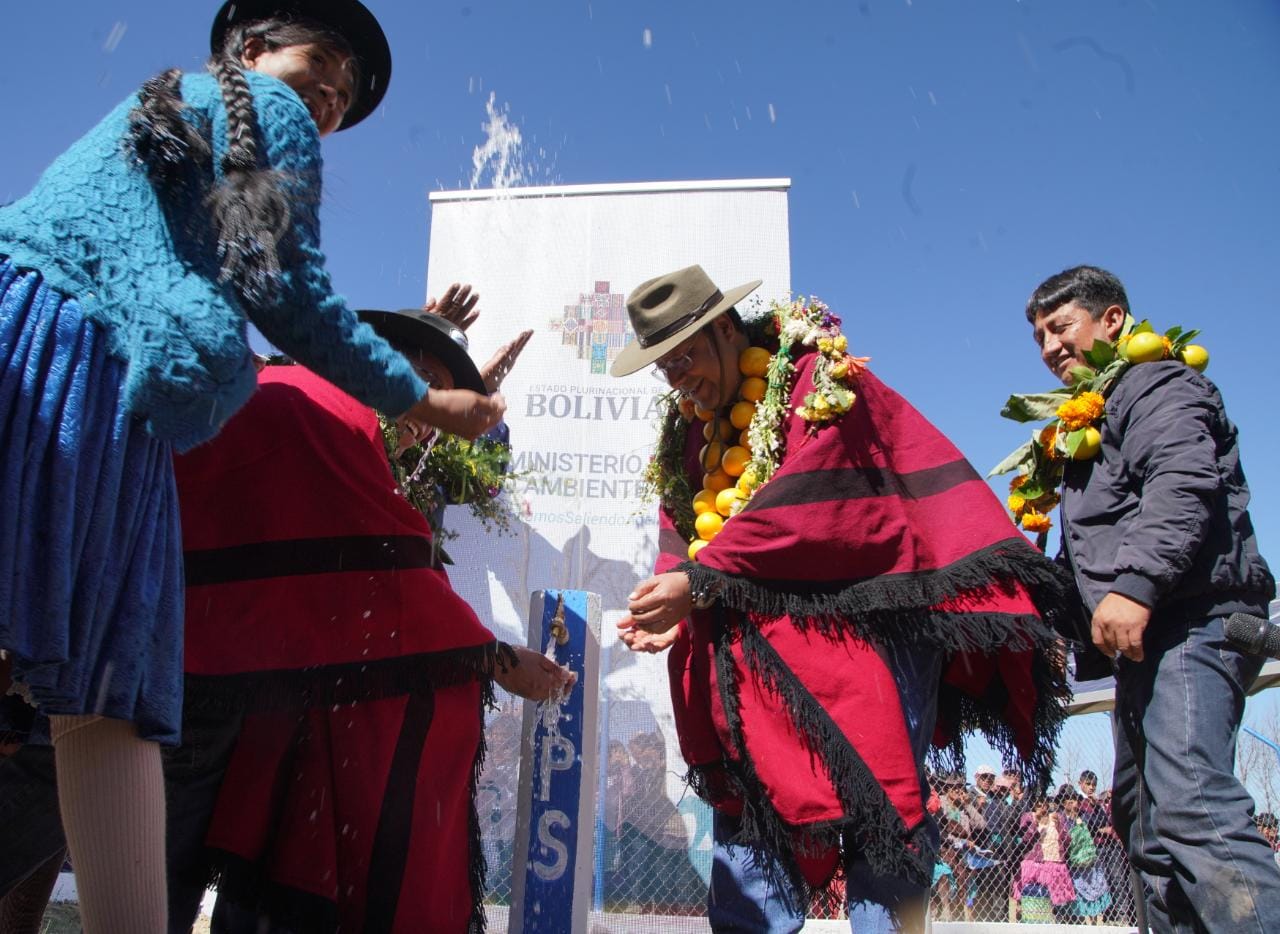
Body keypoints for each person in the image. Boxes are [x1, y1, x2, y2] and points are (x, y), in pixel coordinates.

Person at [0, 2, 504, 929]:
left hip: (48, 352)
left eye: (346, 95)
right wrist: (428, 400)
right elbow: (288, 291)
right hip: (81, 367)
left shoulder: (163, 111)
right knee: (103, 695)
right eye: (324, 64)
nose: (331, 96)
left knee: (91, 695)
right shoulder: (260, 112)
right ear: (253, 52)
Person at [0, 298, 560, 933]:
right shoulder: (315, 406)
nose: (430, 420)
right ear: (365, 358)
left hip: (174, 695)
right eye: (425, 384)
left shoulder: (324, 411)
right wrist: (503, 663)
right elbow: (385, 575)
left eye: (444, 402)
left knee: (129, 891)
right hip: (115, 678)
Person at [610, 265, 1071, 931]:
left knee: (882, 827)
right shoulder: (691, 430)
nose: (679, 378)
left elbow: (826, 505)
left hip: (876, 636)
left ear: (724, 329)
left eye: (684, 357)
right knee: (752, 824)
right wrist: (671, 600)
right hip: (761, 665)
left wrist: (703, 580)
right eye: (664, 367)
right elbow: (683, 529)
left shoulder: (821, 382)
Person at [1025, 265, 1280, 930]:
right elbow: (1091, 553)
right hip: (1141, 645)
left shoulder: (1157, 384)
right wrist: (1056, 628)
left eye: (1060, 327)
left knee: (1192, 804)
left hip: (1194, 625)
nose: (1050, 346)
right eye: (1039, 337)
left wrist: (1134, 588)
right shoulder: (1089, 426)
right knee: (1146, 829)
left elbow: (1182, 483)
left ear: (1112, 321)